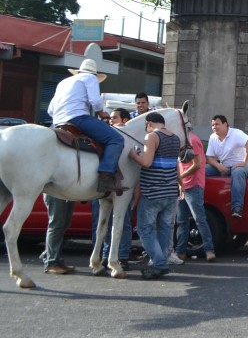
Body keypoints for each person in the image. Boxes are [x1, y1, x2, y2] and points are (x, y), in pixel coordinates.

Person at [47, 59, 124, 193]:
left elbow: (50, 110)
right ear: (94, 74)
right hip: (78, 118)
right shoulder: (90, 77)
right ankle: (105, 177)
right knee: (116, 139)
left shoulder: (63, 82)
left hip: (57, 122)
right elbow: (95, 101)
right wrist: (102, 113)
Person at [129, 112, 181, 280]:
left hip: (153, 191)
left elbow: (146, 162)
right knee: (165, 228)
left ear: (149, 123)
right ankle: (162, 261)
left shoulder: (152, 136)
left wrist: (132, 154)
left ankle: (159, 263)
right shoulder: (175, 138)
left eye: (146, 126)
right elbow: (175, 166)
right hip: (171, 192)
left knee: (144, 228)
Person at [90, 107, 135, 268]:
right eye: (111, 117)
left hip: (118, 186)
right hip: (107, 188)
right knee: (102, 223)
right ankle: (105, 255)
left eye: (115, 118)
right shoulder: (105, 138)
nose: (111, 120)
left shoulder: (123, 140)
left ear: (124, 120)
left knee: (123, 223)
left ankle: (121, 255)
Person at [175, 130, 217, 262]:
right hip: (183, 185)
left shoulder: (193, 140)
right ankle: (181, 251)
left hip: (193, 185)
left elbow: (197, 164)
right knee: (182, 221)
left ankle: (209, 250)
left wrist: (179, 177)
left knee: (199, 219)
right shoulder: (182, 141)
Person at [206, 115, 248, 218]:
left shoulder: (236, 133)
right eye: (212, 125)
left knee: (237, 172)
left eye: (217, 124)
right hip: (225, 167)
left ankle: (237, 208)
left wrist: (244, 162)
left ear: (225, 124)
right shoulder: (212, 137)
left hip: (244, 167)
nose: (214, 127)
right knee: (203, 170)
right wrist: (219, 166)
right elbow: (209, 158)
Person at [41, 195, 76, 275]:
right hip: (55, 192)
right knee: (56, 224)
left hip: (66, 192)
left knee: (64, 223)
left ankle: (55, 259)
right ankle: (51, 263)